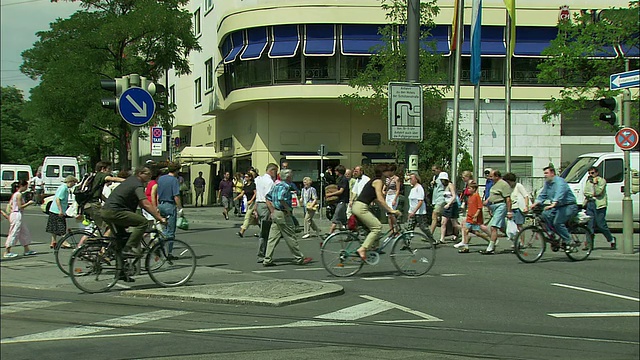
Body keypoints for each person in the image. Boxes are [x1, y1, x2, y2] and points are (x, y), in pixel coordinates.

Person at [101, 166, 166, 257]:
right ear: (140, 174)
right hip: (115, 211)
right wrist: (159, 217)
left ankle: (116, 259)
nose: (150, 176)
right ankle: (129, 248)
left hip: (107, 211)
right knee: (142, 222)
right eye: (148, 174)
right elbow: (145, 203)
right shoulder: (137, 185)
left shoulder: (130, 181)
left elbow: (141, 203)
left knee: (122, 237)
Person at [262, 168, 312, 267]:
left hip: (276, 212)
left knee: (272, 238)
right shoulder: (285, 186)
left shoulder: (276, 185)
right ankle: (299, 258)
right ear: (288, 177)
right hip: (283, 213)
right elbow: (281, 198)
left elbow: (268, 197)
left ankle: (267, 259)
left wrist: (272, 210)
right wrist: (288, 209)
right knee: (290, 235)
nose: (293, 176)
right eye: (291, 175)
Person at [353, 163, 401, 261]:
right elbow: (380, 198)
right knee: (377, 227)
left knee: (370, 229)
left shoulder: (373, 180)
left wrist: (388, 210)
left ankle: (370, 249)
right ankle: (363, 249)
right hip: (361, 207)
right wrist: (391, 210)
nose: (389, 174)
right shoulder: (378, 182)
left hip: (357, 206)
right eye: (387, 171)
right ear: (383, 172)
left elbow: (377, 200)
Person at [531, 166, 579, 252]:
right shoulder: (547, 183)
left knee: (558, 222)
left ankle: (569, 241)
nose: (545, 175)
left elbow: (560, 193)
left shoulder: (560, 182)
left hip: (569, 206)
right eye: (544, 173)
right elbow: (543, 194)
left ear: (552, 173)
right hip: (558, 206)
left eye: (546, 173)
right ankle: (551, 233)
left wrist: (554, 203)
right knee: (544, 214)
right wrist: (535, 203)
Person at [84, 161, 126, 235]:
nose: (110, 171)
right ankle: (104, 246)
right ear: (103, 169)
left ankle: (106, 243)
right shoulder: (101, 175)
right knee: (110, 225)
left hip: (89, 205)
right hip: (94, 206)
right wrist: (129, 181)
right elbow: (112, 179)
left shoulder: (95, 176)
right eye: (109, 169)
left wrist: (108, 202)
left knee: (108, 225)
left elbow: (98, 194)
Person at [583, 166, 616, 249]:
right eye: (589, 173)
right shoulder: (588, 181)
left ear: (597, 173)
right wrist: (590, 194)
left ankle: (611, 239)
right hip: (590, 203)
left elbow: (598, 192)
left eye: (592, 173)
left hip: (599, 205)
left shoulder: (602, 181)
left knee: (601, 224)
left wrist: (595, 184)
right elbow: (586, 192)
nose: (591, 175)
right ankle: (589, 244)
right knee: (589, 225)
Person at [481, 170, 513, 255]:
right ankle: (516, 240)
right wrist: (487, 202)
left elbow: (508, 199)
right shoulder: (493, 184)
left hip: (500, 206)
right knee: (503, 228)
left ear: (496, 176)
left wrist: (509, 212)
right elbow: (492, 195)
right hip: (494, 207)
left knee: (493, 227)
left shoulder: (503, 184)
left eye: (491, 176)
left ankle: (490, 248)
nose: (489, 178)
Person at [4, 179, 36, 258]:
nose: (26, 188)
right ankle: (7, 251)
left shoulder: (16, 194)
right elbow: (20, 207)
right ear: (23, 186)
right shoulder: (18, 195)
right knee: (14, 232)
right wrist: (29, 203)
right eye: (26, 186)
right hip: (16, 214)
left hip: (16, 214)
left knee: (24, 232)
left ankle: (27, 249)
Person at [455, 181, 491, 253]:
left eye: (470, 188)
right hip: (469, 217)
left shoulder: (476, 196)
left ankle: (490, 241)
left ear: (474, 189)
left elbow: (479, 207)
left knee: (477, 233)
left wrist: (476, 215)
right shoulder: (470, 197)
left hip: (475, 218)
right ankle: (466, 247)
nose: (468, 190)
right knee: (466, 231)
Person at [46, 175, 78, 249]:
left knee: (54, 226)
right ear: (70, 182)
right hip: (57, 210)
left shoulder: (63, 187)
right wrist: (60, 210)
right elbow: (58, 199)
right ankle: (64, 242)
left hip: (53, 209)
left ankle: (53, 241)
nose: (74, 184)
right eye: (74, 182)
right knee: (62, 226)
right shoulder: (63, 188)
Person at [254, 163, 278, 263]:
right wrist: (272, 211)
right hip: (265, 206)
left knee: (263, 230)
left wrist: (255, 209)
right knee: (265, 232)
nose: (276, 174)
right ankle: (262, 254)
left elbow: (257, 194)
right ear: (272, 171)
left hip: (259, 205)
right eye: (276, 171)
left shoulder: (259, 179)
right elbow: (268, 199)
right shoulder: (269, 182)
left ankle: (264, 254)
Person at [156, 162, 184, 246]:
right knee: (171, 231)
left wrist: (157, 205)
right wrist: (180, 208)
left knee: (162, 228)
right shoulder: (174, 180)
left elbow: (158, 194)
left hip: (161, 205)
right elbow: (176, 196)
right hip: (170, 206)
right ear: (176, 170)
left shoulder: (161, 179)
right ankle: (169, 253)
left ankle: (159, 247)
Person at [325, 165, 349, 234]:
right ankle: (351, 233)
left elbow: (341, 191)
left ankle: (330, 233)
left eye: (336, 171)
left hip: (342, 201)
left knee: (335, 217)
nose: (335, 172)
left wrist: (330, 194)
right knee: (344, 220)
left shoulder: (343, 180)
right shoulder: (339, 179)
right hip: (339, 201)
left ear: (339, 171)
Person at [438, 172, 461, 244]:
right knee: (443, 222)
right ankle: (442, 238)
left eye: (443, 180)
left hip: (452, 205)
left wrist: (449, 204)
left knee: (454, 223)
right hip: (447, 205)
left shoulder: (450, 185)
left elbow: (454, 196)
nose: (442, 181)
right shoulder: (444, 187)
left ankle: (463, 231)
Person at [406, 173, 432, 237]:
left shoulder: (419, 188)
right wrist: (410, 212)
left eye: (411, 179)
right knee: (409, 228)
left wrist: (414, 211)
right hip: (412, 212)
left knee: (423, 227)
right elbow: (411, 202)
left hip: (420, 212)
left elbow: (420, 201)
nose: (410, 180)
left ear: (416, 179)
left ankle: (432, 240)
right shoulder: (412, 189)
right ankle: (406, 244)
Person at [236, 171, 257, 238]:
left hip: (253, 203)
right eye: (245, 177)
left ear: (250, 178)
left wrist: (251, 200)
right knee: (253, 219)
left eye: (247, 177)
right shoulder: (245, 185)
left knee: (247, 216)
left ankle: (241, 231)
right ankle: (262, 229)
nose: (245, 178)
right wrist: (237, 197)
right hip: (248, 203)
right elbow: (242, 193)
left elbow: (255, 193)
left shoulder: (253, 185)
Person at [383, 164, 401, 233]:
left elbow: (398, 189)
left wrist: (395, 199)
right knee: (388, 214)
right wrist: (383, 191)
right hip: (388, 196)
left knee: (392, 213)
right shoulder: (387, 179)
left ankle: (397, 229)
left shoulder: (396, 179)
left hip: (394, 195)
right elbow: (385, 186)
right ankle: (391, 230)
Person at [429, 165, 446, 237]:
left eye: (434, 170)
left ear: (438, 169)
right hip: (436, 198)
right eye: (432, 170)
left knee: (434, 215)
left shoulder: (443, 177)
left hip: (441, 198)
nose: (433, 172)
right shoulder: (434, 177)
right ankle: (457, 232)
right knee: (446, 219)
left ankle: (430, 234)